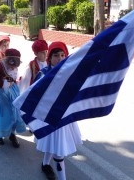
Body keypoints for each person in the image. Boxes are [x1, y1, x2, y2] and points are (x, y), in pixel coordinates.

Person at [33, 41, 82, 180]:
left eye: (62, 55)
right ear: (50, 57)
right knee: (58, 153)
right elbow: (34, 94)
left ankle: (45, 164)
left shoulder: (70, 72)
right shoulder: (44, 74)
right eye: (56, 55)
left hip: (64, 117)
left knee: (54, 145)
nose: (60, 58)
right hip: (49, 116)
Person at [0, 48, 26, 147]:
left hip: (13, 91)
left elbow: (15, 77)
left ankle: (12, 134)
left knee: (13, 113)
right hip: (0, 93)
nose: (13, 68)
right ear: (6, 60)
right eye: (11, 65)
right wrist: (3, 83)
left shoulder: (15, 67)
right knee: (0, 114)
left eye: (15, 66)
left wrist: (12, 83)